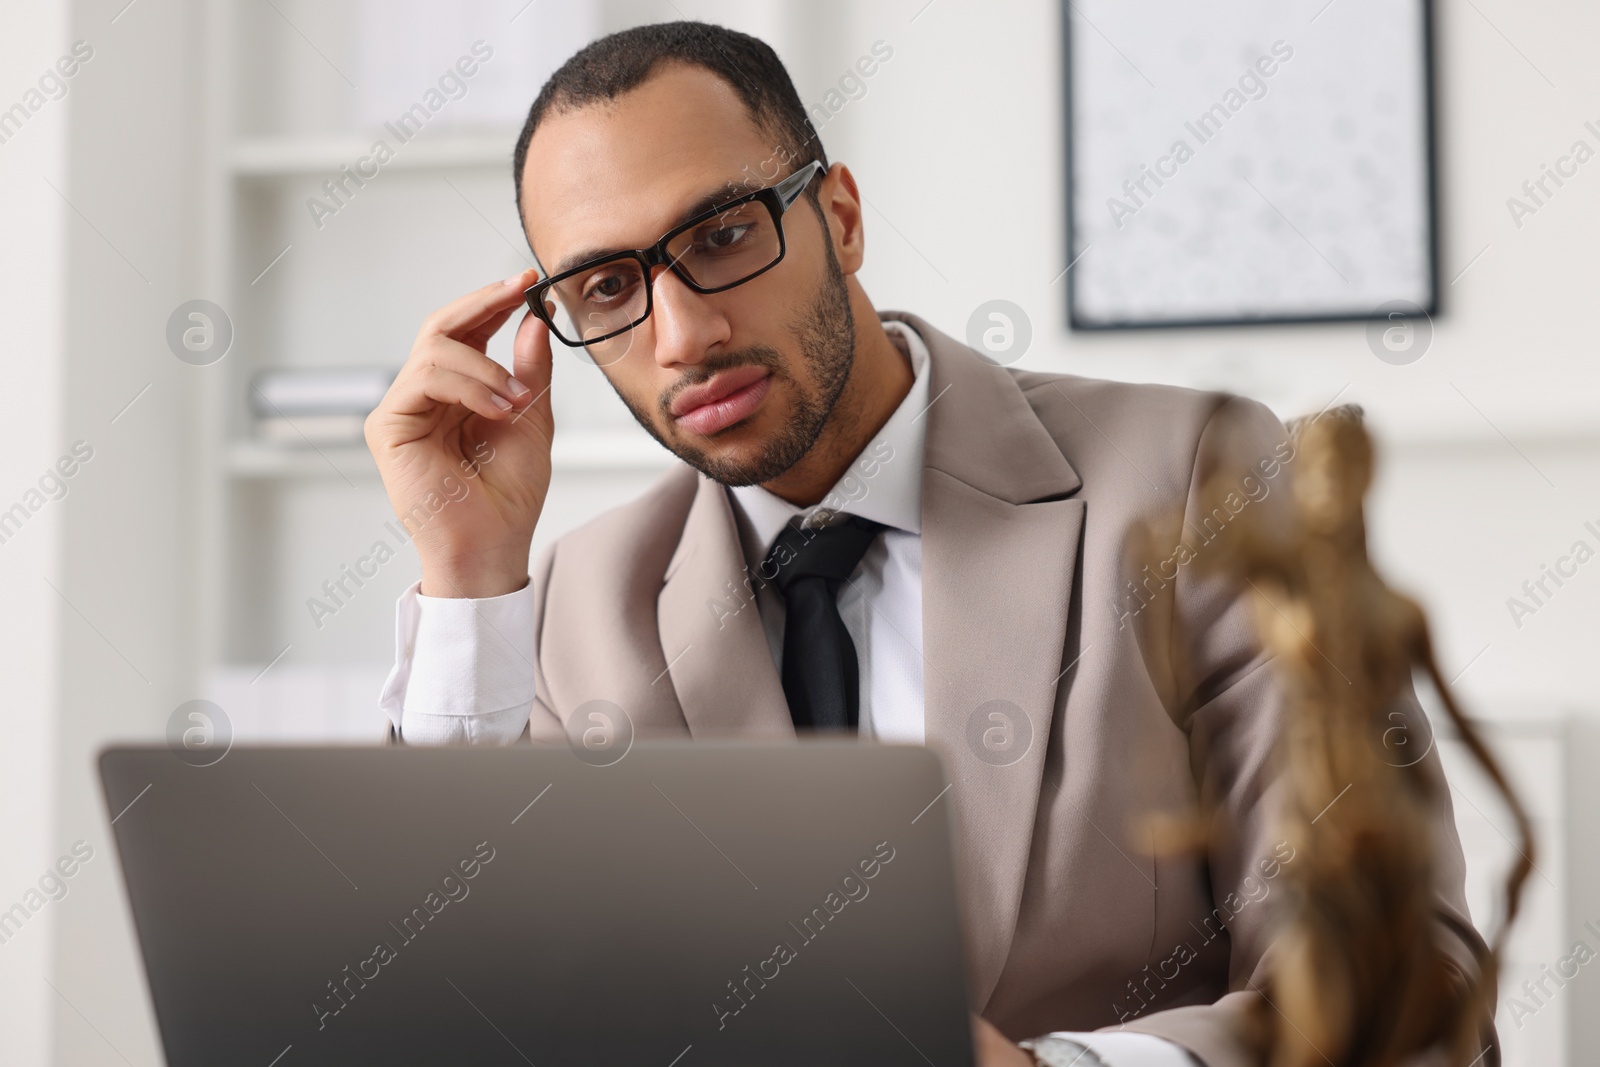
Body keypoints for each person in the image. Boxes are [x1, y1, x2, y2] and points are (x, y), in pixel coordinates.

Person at [365, 22, 1487, 1067]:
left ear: (840, 218)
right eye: (608, 286)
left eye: (722, 235)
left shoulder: (1201, 479)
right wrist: (465, 570)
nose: (684, 333)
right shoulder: (579, 599)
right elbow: (463, 1011)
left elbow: (1412, 991)